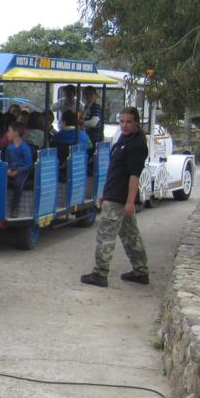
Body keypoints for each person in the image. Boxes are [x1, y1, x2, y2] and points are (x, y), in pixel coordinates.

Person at [81, 107, 150, 287]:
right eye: (122, 121)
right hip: (114, 194)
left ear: (136, 123)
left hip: (119, 198)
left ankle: (100, 273)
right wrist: (106, 193)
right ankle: (140, 271)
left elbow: (134, 176)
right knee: (131, 236)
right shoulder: (124, 139)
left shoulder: (137, 144)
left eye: (129, 122)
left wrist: (130, 202)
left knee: (105, 234)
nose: (124, 125)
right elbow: (115, 171)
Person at [4, 122, 33, 218]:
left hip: (22, 171)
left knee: (18, 184)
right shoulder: (9, 147)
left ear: (16, 133)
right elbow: (6, 161)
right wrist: (8, 169)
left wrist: (18, 170)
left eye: (9, 131)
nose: (7, 133)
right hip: (11, 170)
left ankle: (14, 208)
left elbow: (29, 164)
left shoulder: (25, 148)